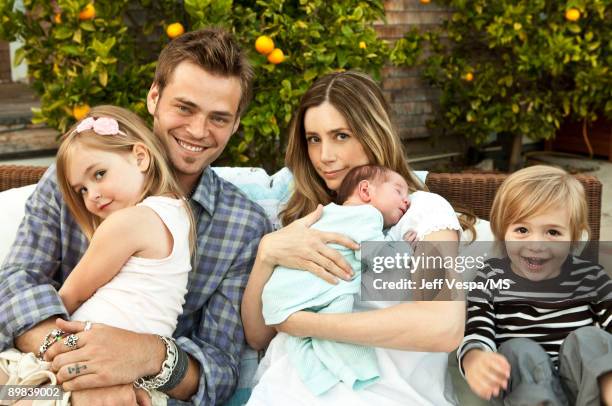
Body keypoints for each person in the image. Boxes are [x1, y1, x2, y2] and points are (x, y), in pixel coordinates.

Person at [0, 28, 271, 405]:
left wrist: (146, 355)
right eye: (185, 107)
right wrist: (79, 367)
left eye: (219, 118)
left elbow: (221, 368)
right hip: (45, 374)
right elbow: (15, 283)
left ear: (236, 123)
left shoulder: (243, 224)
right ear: (154, 97)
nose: (197, 130)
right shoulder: (79, 176)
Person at [242, 70, 466, 405]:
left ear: (373, 133)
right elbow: (259, 334)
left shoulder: (422, 212)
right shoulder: (309, 218)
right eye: (314, 139)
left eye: (341, 136)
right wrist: (266, 255)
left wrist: (308, 324)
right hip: (286, 391)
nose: (325, 156)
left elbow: (442, 325)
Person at [1, 105, 194, 405]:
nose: (93, 195)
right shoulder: (179, 213)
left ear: (140, 157)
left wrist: (49, 344)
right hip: (134, 378)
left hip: (82, 369)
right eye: (82, 190)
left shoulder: (125, 223)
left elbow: (70, 295)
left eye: (100, 174)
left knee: (11, 388)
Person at [457, 165, 612, 405]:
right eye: (522, 230)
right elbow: (477, 332)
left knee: (592, 340)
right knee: (517, 351)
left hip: (586, 392)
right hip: (526, 392)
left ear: (574, 236)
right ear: (502, 232)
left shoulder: (591, 277)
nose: (537, 245)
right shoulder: (490, 278)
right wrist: (475, 359)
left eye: (552, 232)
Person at [262, 164, 411, 395]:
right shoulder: (366, 215)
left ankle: (318, 377)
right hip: (304, 292)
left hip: (278, 297)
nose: (406, 201)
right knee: (342, 305)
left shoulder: (331, 214)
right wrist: (405, 250)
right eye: (399, 192)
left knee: (309, 332)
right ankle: (354, 371)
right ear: (365, 191)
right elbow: (376, 257)